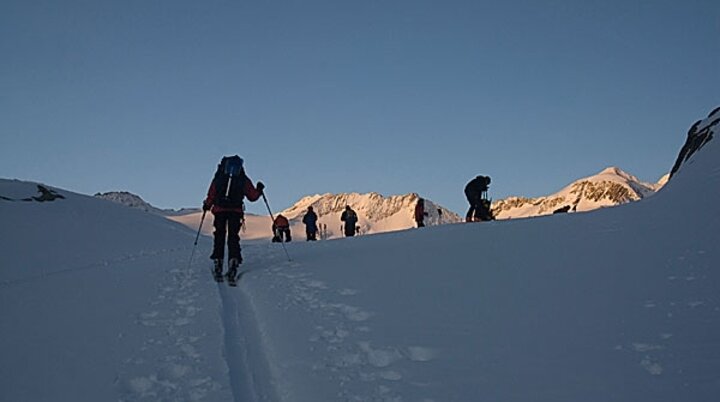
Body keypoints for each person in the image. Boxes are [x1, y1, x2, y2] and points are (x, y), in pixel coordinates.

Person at [203, 155, 264, 279]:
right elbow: (252, 196)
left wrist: (207, 205)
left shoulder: (219, 176)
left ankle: (218, 261)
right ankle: (233, 261)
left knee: (219, 235)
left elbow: (212, 193)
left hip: (220, 210)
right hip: (235, 211)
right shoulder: (242, 178)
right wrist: (259, 190)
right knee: (233, 237)